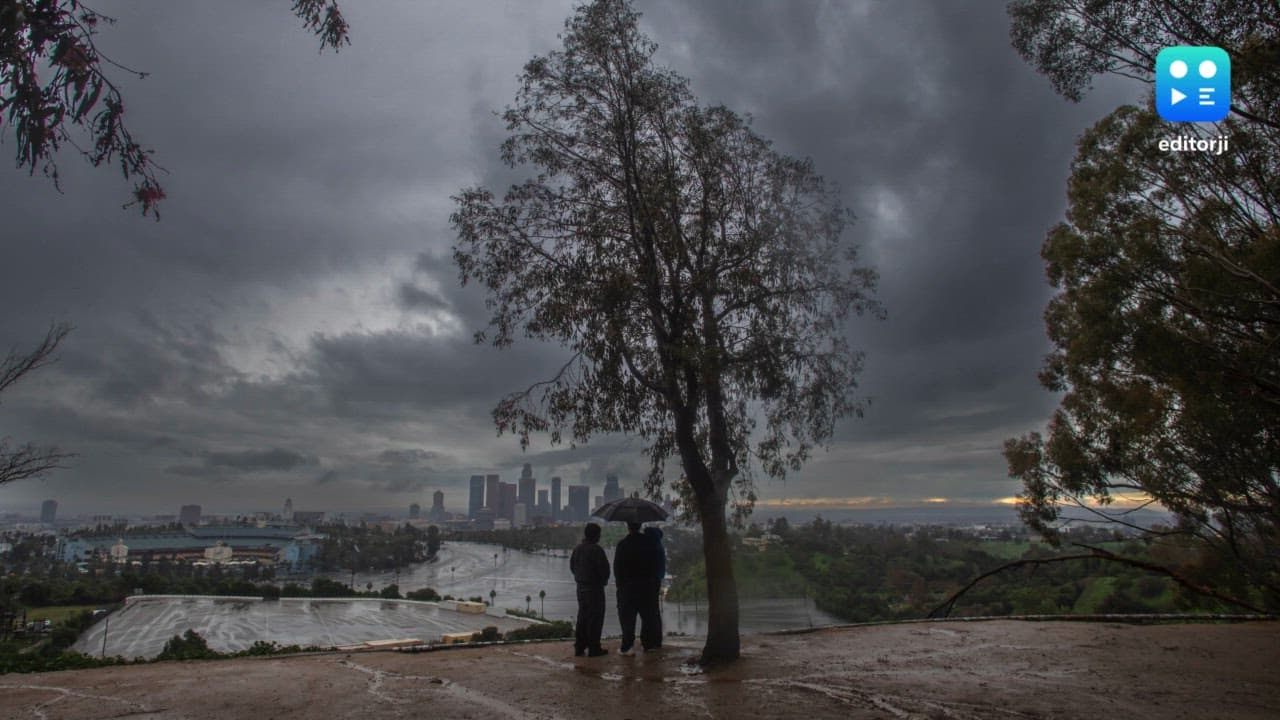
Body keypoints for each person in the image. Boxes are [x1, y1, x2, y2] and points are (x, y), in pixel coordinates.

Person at [613, 521, 661, 654]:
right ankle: (648, 644)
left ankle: (628, 646)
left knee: (627, 618)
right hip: (646, 586)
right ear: (640, 526)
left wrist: (620, 585)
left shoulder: (622, 545)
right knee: (647, 616)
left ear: (628, 527)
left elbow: (617, 568)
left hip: (627, 587)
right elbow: (655, 565)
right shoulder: (650, 544)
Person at [569, 522, 610, 657]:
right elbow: (605, 570)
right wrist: (603, 581)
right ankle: (594, 648)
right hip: (595, 589)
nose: (599, 537)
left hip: (581, 588)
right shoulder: (597, 550)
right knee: (595, 618)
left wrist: (580, 578)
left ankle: (579, 647)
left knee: (582, 617)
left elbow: (572, 567)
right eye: (599, 534)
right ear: (595, 535)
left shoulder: (577, 549)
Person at [642, 525, 666, 649]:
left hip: (650, 582)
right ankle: (656, 640)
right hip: (655, 581)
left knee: (649, 612)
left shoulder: (653, 548)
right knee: (654, 611)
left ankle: (650, 641)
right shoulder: (659, 547)